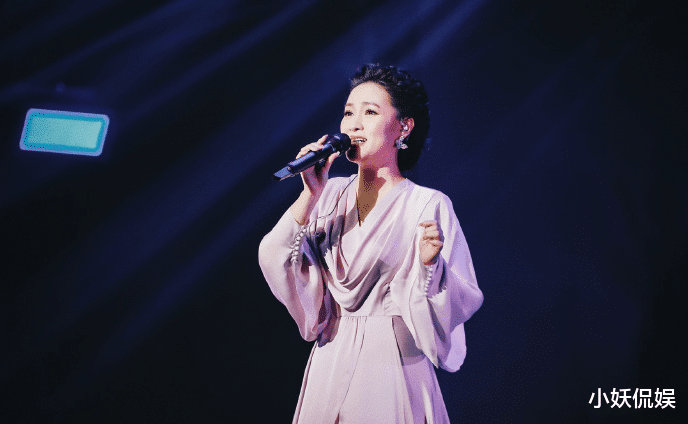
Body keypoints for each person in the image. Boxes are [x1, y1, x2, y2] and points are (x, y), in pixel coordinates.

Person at [258, 64, 483, 424]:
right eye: (349, 113)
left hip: (392, 364)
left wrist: (430, 266)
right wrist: (309, 195)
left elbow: (460, 297)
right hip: (331, 359)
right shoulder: (328, 195)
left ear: (403, 127)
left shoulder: (426, 204)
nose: (354, 125)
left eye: (370, 112)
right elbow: (275, 256)